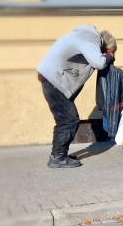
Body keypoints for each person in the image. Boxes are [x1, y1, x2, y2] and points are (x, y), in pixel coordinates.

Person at [37, 25, 116, 168]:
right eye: (108, 52)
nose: (109, 55)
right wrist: (109, 57)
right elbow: (99, 62)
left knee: (64, 119)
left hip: (52, 78)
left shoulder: (81, 36)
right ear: (104, 47)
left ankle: (59, 154)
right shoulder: (90, 39)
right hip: (54, 80)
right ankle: (57, 157)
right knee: (69, 119)